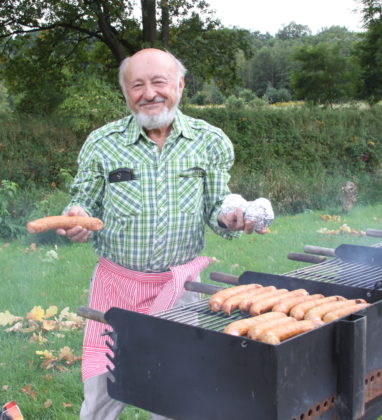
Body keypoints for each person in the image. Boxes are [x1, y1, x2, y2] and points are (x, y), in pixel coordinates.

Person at [56, 48, 266, 420]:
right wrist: (77, 216)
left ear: (180, 85)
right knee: (103, 393)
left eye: (159, 82)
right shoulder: (102, 143)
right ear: (125, 93)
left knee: (177, 395)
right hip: (116, 289)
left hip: (179, 290)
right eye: (137, 85)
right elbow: (83, 200)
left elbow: (216, 203)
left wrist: (230, 217)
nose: (149, 93)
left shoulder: (209, 140)